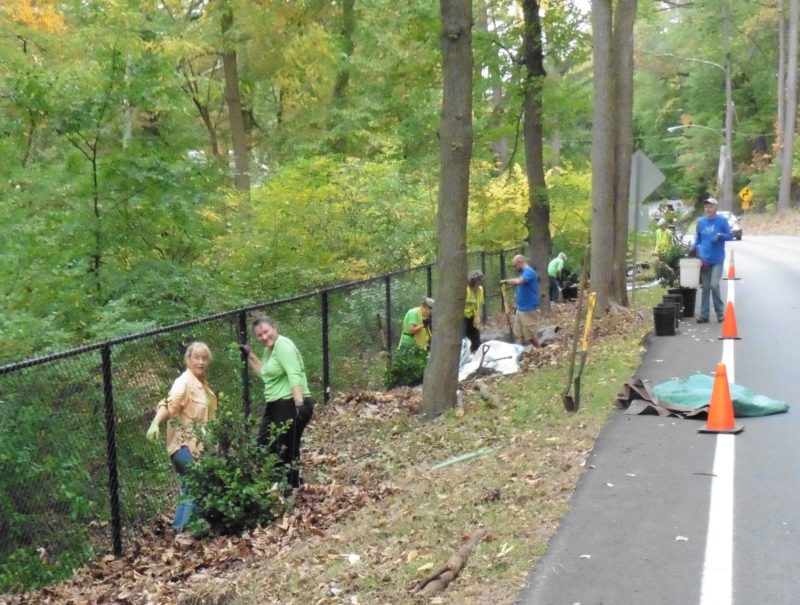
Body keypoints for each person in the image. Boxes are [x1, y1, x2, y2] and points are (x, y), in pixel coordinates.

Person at [146, 341, 217, 532]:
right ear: (188, 359)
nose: (201, 362)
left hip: (199, 448)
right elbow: (169, 404)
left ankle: (180, 530)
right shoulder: (183, 382)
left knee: (190, 487)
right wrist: (155, 423)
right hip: (183, 446)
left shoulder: (204, 386)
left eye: (204, 358)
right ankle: (186, 531)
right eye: (196, 358)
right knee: (196, 483)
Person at [240, 316, 314, 489]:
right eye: (259, 335)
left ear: (275, 327)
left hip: (290, 403)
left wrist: (298, 403)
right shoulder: (269, 350)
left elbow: (294, 373)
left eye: (266, 331)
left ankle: (290, 488)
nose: (264, 337)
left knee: (285, 448)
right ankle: (283, 486)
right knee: (265, 444)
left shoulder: (283, 346)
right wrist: (249, 355)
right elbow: (265, 374)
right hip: (276, 404)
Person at [694, 197, 732, 323]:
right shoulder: (700, 222)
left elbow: (730, 235)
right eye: (706, 207)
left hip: (717, 259)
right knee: (705, 287)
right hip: (704, 259)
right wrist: (695, 250)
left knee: (714, 285)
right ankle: (704, 315)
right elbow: (698, 239)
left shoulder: (722, 221)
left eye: (710, 206)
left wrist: (720, 236)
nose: (708, 209)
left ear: (715, 208)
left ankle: (720, 313)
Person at [500, 254, 541, 347]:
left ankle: (540, 350)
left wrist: (505, 281)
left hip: (528, 307)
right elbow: (517, 283)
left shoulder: (529, 272)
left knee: (529, 334)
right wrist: (506, 286)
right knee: (518, 333)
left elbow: (519, 281)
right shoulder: (523, 274)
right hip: (521, 308)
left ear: (520, 262)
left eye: (515, 265)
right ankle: (517, 351)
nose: (515, 268)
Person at [464, 271, 485, 353]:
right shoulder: (466, 290)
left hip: (474, 316)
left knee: (476, 335)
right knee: (466, 336)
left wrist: (478, 316)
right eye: (476, 284)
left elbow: (480, 303)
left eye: (479, 284)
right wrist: (469, 302)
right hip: (465, 316)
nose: (477, 286)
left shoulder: (480, 290)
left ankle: (477, 350)